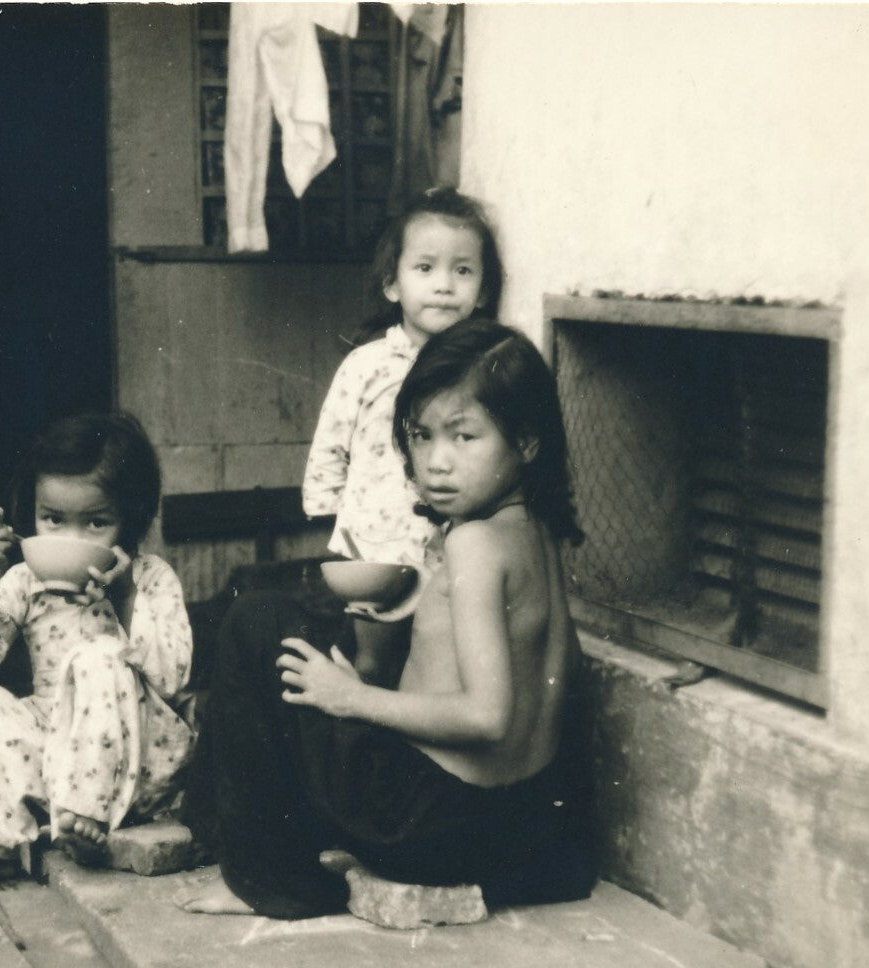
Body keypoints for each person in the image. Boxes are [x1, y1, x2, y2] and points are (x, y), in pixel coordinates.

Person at [182, 318, 598, 919]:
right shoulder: (538, 534)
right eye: (422, 436)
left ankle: (270, 880)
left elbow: (486, 715)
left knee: (256, 619)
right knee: (323, 642)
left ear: (527, 442)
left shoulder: (475, 545)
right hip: (514, 826)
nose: (436, 463)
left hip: (422, 823)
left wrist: (351, 699)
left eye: (464, 437)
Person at [0, 411, 194, 895]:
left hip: (137, 757)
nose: (69, 541)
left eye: (96, 523)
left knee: (98, 655)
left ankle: (86, 817)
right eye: (52, 519)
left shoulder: (149, 578)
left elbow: (174, 677)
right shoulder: (25, 580)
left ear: (132, 519)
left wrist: (124, 600)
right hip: (53, 746)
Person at [302, 188, 504, 679]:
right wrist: (330, 519)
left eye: (463, 271)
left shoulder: (482, 369)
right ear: (393, 285)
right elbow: (332, 440)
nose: (444, 286)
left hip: (447, 540)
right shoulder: (367, 364)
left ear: (481, 292)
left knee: (436, 656)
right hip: (376, 538)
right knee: (372, 657)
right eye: (425, 268)